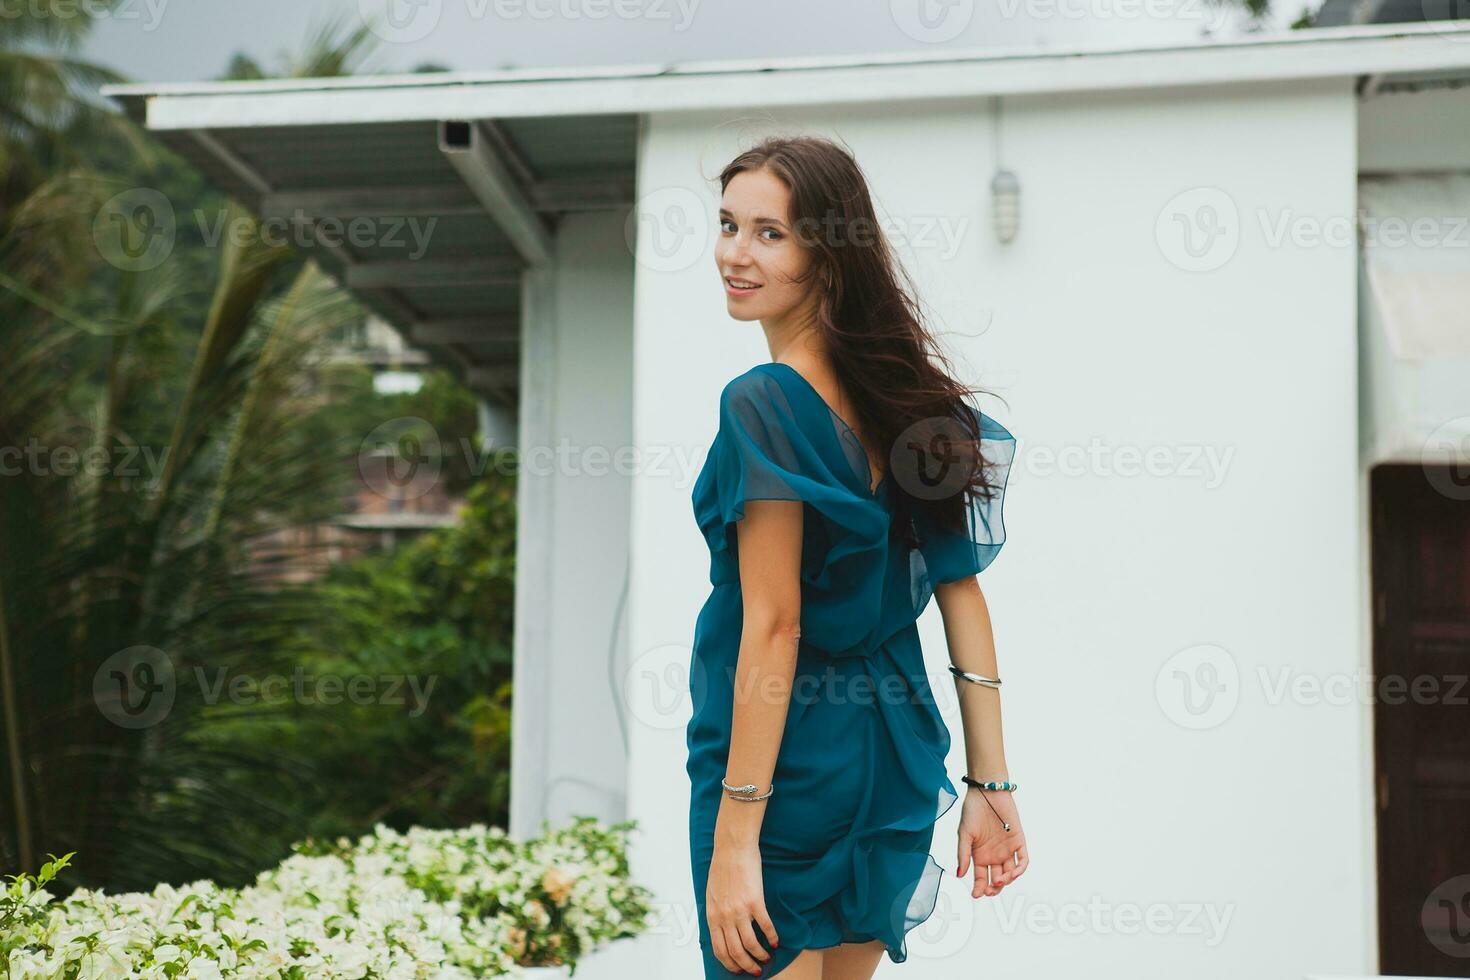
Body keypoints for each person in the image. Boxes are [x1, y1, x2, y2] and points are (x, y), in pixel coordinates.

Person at [686, 134, 1029, 979]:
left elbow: (773, 626)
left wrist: (736, 840)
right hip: (889, 754)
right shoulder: (911, 401)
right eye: (729, 225)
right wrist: (991, 784)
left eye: (771, 233)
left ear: (829, 256)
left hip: (784, 774)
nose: (736, 253)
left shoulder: (763, 403)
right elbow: (963, 594)